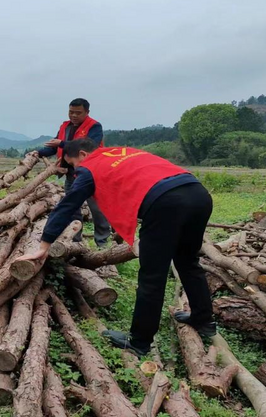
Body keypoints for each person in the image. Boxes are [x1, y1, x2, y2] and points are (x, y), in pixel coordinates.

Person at [16, 138, 215, 356]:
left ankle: (139, 342)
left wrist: (43, 245)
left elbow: (68, 205)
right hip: (198, 194)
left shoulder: (89, 167)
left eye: (72, 164)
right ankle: (203, 320)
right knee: (188, 261)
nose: (74, 171)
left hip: (166, 204)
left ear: (83, 155)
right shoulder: (121, 151)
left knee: (152, 275)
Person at [36, 98, 111, 247]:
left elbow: (91, 146)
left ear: (87, 112)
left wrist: (62, 143)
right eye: (71, 112)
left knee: (97, 208)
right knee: (72, 207)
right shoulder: (65, 126)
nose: (74, 115)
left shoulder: (94, 126)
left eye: (78, 113)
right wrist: (37, 153)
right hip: (71, 172)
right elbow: (54, 147)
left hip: (91, 173)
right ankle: (75, 241)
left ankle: (102, 243)